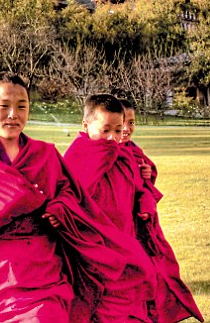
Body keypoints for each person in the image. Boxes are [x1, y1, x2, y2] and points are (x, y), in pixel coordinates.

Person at [0, 73, 142, 323]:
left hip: (44, 271)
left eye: (21, 106)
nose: (13, 114)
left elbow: (71, 193)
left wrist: (60, 207)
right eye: (4, 106)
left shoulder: (45, 155)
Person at [63, 94, 157, 323]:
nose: (113, 138)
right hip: (96, 248)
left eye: (117, 130)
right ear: (86, 126)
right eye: (105, 130)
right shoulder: (78, 155)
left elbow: (139, 190)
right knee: (101, 306)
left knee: (134, 293)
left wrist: (146, 189)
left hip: (126, 238)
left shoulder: (125, 154)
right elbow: (68, 196)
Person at [119, 99, 203, 323]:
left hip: (141, 226)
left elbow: (146, 181)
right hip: (122, 225)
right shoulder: (106, 150)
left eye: (132, 123)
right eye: (122, 123)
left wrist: (148, 171)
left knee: (158, 270)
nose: (127, 129)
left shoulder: (133, 149)